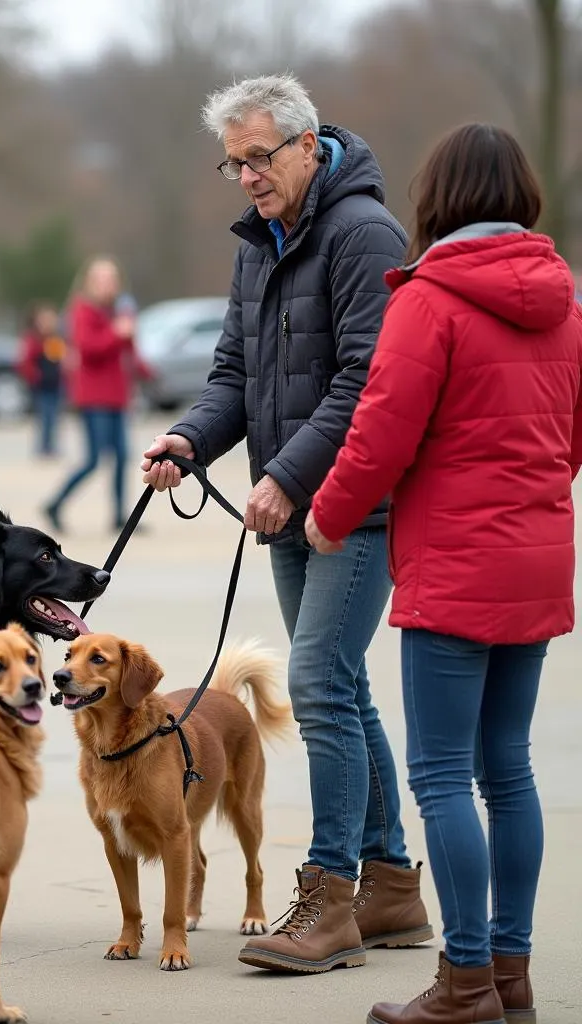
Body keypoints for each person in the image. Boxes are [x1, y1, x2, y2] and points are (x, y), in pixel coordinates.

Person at [140, 73, 431, 973]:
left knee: (316, 688)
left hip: (357, 507)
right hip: (290, 510)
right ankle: (390, 889)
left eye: (258, 158)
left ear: (309, 145)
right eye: (233, 164)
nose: (247, 178)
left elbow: (367, 382)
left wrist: (291, 477)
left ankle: (331, 897)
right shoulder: (259, 243)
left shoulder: (363, 234)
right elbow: (234, 373)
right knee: (342, 690)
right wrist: (189, 440)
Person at [306, 124, 582, 1024]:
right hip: (535, 561)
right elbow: (570, 441)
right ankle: (512, 975)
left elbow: (379, 433)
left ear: (439, 198)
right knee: (509, 770)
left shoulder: (429, 300)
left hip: (456, 568)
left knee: (439, 778)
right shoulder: (566, 299)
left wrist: (329, 514)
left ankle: (464, 984)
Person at [44, 256, 152, 533]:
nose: (107, 285)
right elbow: (88, 348)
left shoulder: (119, 311)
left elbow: (130, 350)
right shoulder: (82, 311)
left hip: (117, 395)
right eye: (101, 279)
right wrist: (117, 333)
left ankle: (118, 516)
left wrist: (149, 373)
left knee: (122, 457)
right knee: (94, 459)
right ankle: (55, 504)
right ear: (89, 283)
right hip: (93, 397)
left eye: (111, 279)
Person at [16, 301, 66, 457]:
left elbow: (61, 358)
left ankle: (51, 445)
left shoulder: (56, 338)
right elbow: (25, 361)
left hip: (56, 384)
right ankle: (43, 446)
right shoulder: (33, 339)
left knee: (54, 416)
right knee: (44, 416)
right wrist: (35, 376)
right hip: (41, 385)